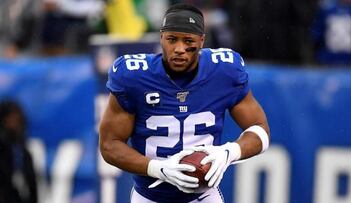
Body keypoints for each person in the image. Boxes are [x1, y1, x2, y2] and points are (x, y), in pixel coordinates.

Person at [99, 3, 270, 203]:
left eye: (188, 40)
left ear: (201, 41)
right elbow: (109, 144)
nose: (179, 49)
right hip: (150, 197)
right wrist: (158, 168)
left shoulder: (224, 71)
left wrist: (228, 152)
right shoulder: (134, 76)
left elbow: (260, 129)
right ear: (161, 37)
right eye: (172, 39)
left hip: (203, 197)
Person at [0, 100, 38, 203]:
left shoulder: (24, 155)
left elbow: (32, 189)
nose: (15, 126)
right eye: (10, 121)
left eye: (18, 121)